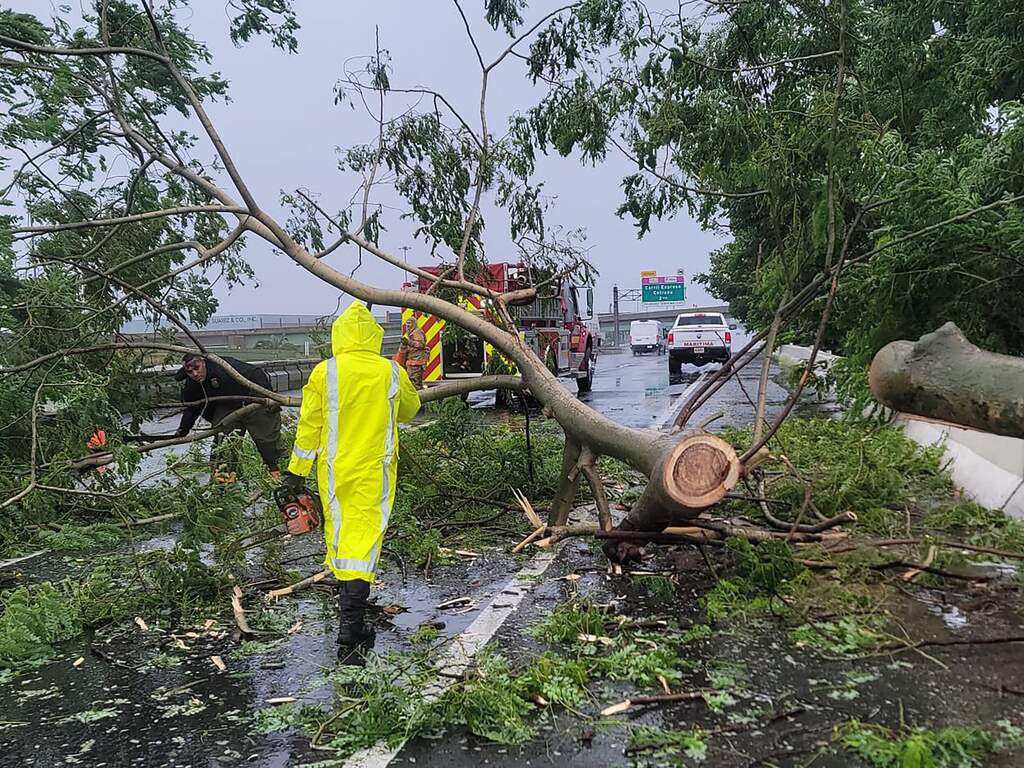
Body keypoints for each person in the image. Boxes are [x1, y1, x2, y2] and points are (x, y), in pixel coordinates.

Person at [283, 302, 420, 663]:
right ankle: (351, 625)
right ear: (374, 336)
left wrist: (296, 471)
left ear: (339, 336)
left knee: (342, 538)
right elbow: (410, 410)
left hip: (334, 471)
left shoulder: (324, 372)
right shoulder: (389, 372)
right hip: (375, 470)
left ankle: (351, 620)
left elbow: (309, 426)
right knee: (365, 541)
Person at [175, 353, 283, 481]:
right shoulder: (192, 383)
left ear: (203, 362)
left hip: (253, 400)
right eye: (190, 372)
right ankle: (223, 480)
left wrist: (267, 398)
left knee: (267, 440)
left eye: (197, 368)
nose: (195, 374)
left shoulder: (224, 366)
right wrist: (183, 430)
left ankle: (277, 473)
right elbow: (192, 409)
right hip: (226, 407)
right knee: (223, 443)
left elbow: (255, 373)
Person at [395, 318, 428, 388]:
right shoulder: (411, 333)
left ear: (414, 324)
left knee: (414, 383)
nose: (408, 325)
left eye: (409, 323)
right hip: (412, 361)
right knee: (413, 381)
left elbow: (421, 345)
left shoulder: (417, 332)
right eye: (407, 323)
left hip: (416, 362)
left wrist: (409, 342)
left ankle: (419, 396)